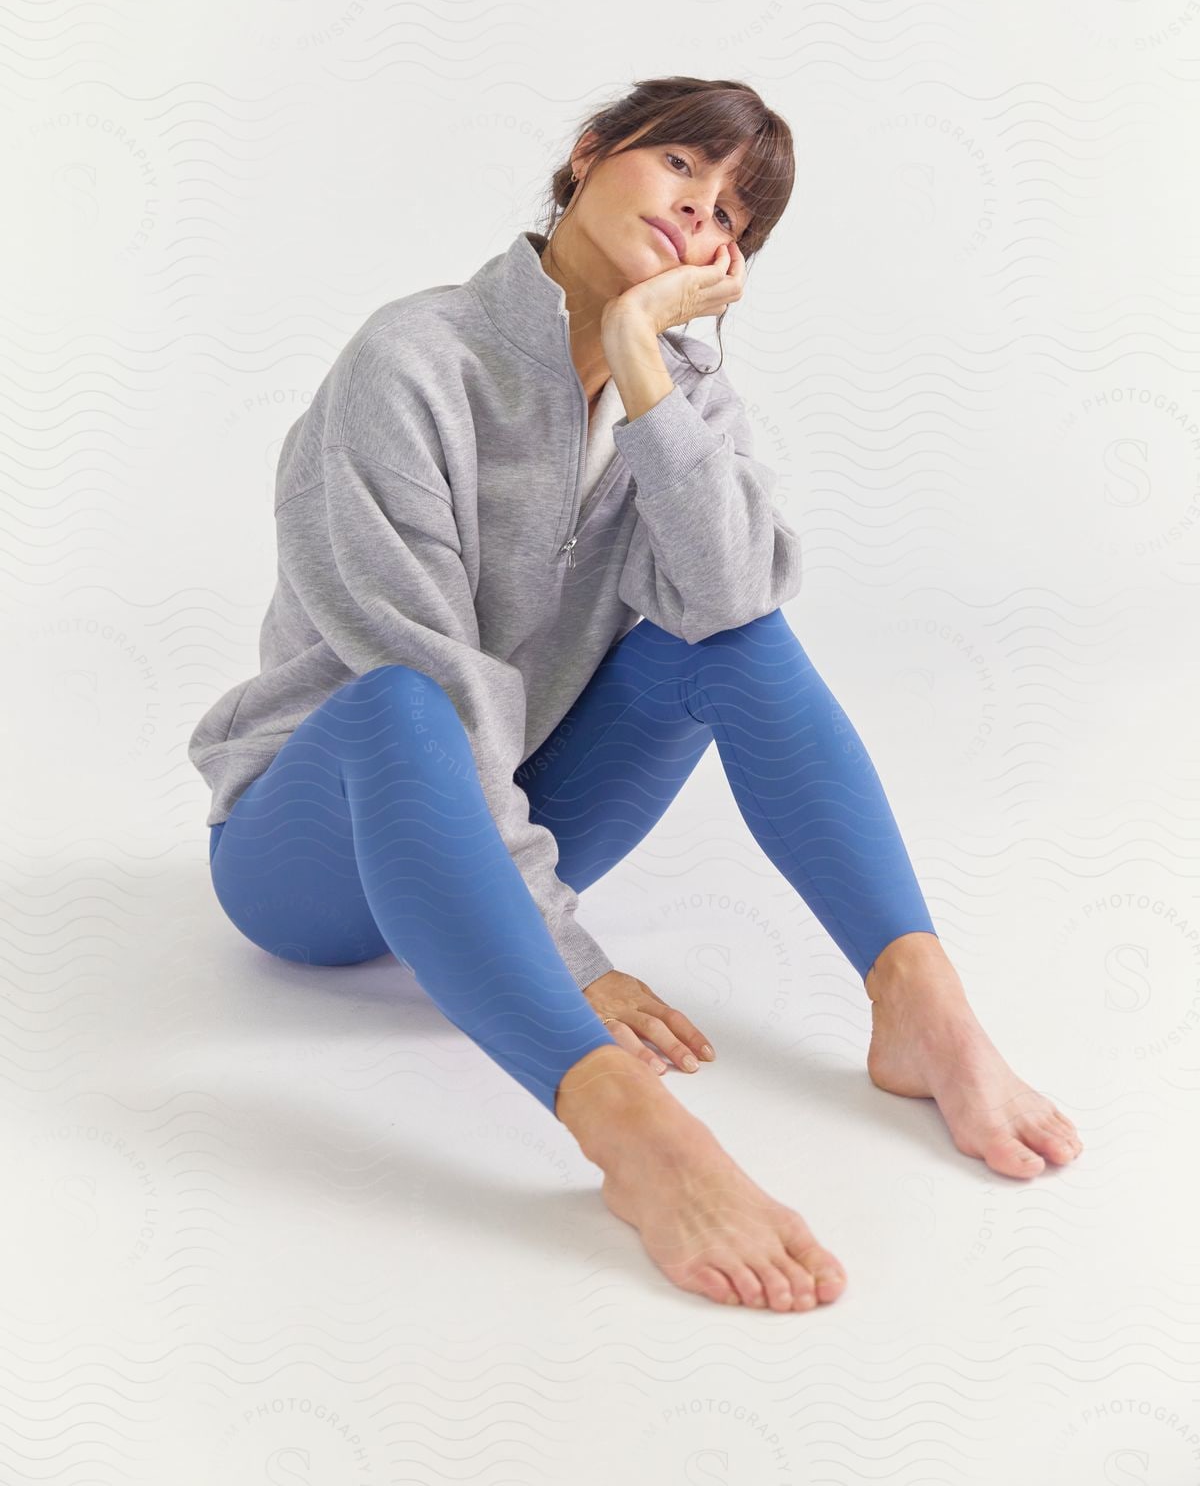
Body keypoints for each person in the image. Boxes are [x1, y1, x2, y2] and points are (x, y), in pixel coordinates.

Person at [189, 75, 1082, 1316]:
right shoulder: (415, 360)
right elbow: (432, 689)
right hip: (314, 852)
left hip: (505, 827)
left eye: (730, 217)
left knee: (732, 642)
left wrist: (641, 366)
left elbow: (729, 608)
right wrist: (568, 954)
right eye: (681, 169)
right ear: (590, 152)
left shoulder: (689, 395)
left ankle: (918, 1002)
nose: (699, 215)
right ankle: (629, 1128)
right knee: (399, 703)